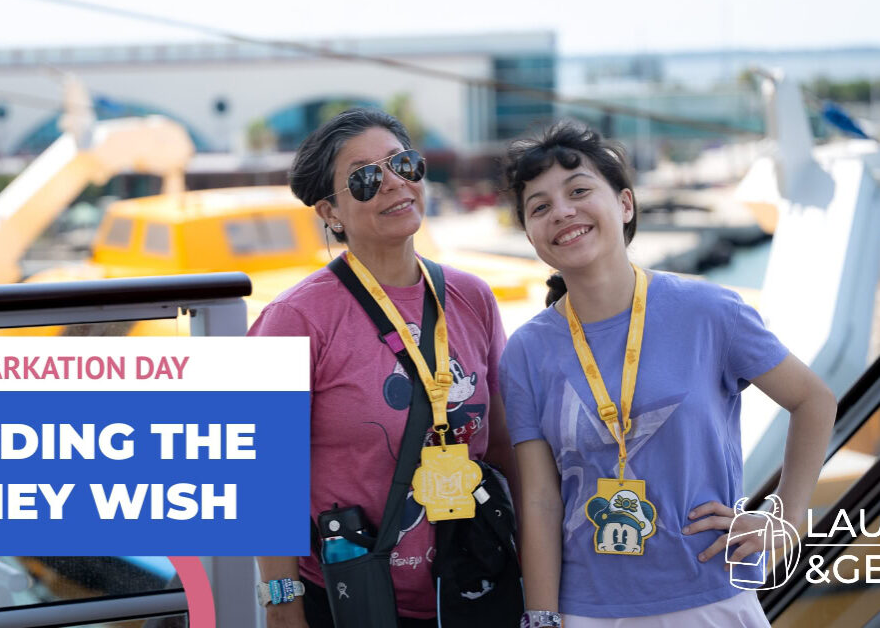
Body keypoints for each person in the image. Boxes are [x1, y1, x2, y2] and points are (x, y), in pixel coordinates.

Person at [499, 121, 836, 627]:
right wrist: (543, 618)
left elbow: (814, 400)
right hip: (587, 610)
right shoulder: (526, 350)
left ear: (626, 204)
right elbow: (542, 501)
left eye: (579, 191)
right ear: (531, 234)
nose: (562, 212)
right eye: (540, 206)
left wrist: (785, 521)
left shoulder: (709, 311)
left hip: (711, 596)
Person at [250, 107, 516, 628]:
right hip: (353, 600)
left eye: (404, 165)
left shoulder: (471, 298)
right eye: (367, 178)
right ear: (331, 212)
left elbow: (503, 444)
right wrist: (284, 609)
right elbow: (264, 483)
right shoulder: (295, 319)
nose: (395, 183)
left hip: (474, 587)